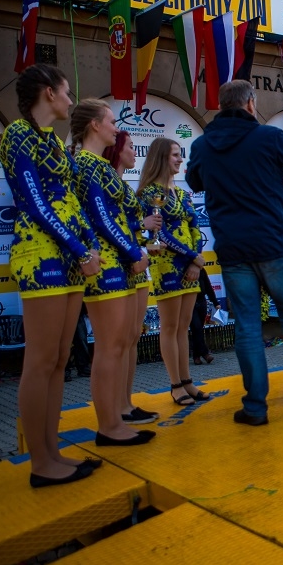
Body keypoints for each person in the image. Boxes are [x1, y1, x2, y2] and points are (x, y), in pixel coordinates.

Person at [186, 79, 283, 426]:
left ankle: (255, 407)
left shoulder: (203, 145)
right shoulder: (268, 137)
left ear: (223, 106)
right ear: (251, 103)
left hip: (233, 248)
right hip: (271, 243)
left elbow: (195, 182)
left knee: (248, 327)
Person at [0, 63, 103, 488]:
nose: (70, 101)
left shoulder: (55, 143)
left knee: (61, 359)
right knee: (40, 361)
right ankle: (40, 461)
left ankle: (53, 451)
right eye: (66, 92)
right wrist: (80, 248)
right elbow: (35, 203)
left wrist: (86, 244)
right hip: (40, 254)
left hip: (70, 257)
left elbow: (69, 202)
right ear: (47, 93)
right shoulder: (17, 135)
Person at [70, 99, 156, 446]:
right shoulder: (88, 165)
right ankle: (108, 425)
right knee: (109, 346)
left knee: (119, 343)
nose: (116, 128)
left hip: (116, 260)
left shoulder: (96, 166)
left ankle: (117, 415)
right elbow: (102, 219)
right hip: (105, 261)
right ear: (94, 125)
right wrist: (135, 250)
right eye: (111, 121)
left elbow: (115, 217)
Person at [138, 138, 209, 407]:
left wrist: (195, 262)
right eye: (175, 156)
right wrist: (193, 257)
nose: (180, 160)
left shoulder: (182, 193)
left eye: (181, 155)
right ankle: (175, 384)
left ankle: (188, 381)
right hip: (166, 263)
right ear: (160, 158)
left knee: (184, 326)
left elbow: (195, 227)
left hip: (190, 265)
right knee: (169, 327)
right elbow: (159, 234)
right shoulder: (148, 193)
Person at [104, 129, 162, 424]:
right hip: (120, 264)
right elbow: (106, 220)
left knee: (132, 337)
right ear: (116, 150)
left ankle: (126, 403)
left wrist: (144, 238)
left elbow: (126, 224)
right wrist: (142, 222)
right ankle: (115, 409)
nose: (134, 151)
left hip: (137, 261)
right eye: (130, 146)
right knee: (119, 340)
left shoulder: (122, 182)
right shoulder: (104, 176)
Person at [190, 267, 219, 366]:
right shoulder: (183, 268)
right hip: (190, 303)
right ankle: (205, 353)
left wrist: (215, 302)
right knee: (196, 327)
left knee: (198, 329)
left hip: (202, 302)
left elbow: (208, 286)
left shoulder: (201, 270)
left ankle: (196, 356)